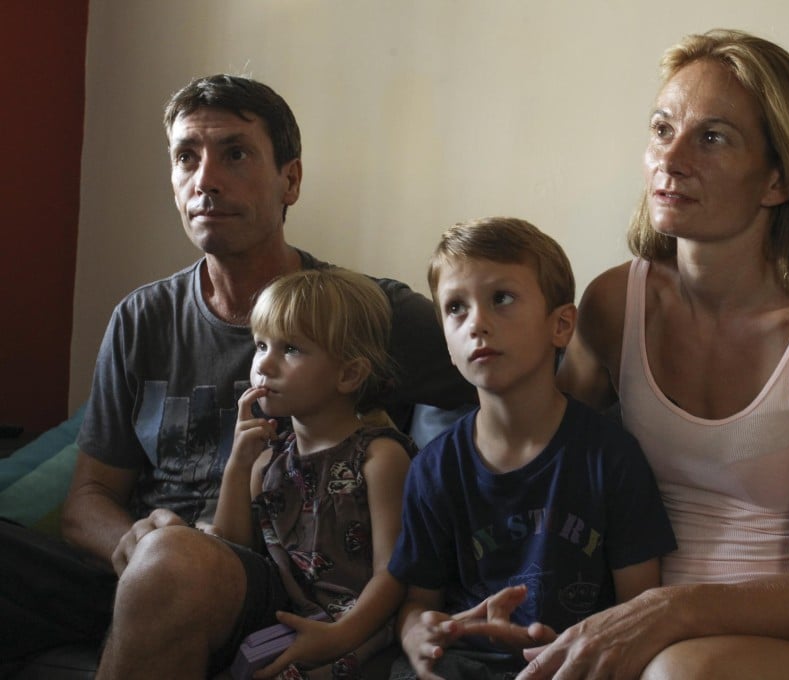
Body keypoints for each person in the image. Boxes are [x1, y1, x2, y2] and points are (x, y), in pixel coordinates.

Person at [0, 74, 473, 677]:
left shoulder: (367, 314)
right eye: (186, 158)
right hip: (133, 569)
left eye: (236, 154)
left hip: (272, 584)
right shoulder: (142, 318)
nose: (206, 180)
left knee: (176, 563)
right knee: (162, 559)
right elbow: (87, 499)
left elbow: (518, 383)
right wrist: (132, 540)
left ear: (290, 181)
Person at [522, 29, 789, 680]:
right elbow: (536, 476)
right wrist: (434, 608)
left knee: (681, 673)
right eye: (662, 129)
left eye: (712, 137)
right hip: (653, 641)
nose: (670, 158)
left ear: (778, 179)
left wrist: (663, 610)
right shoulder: (615, 304)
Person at [386, 217, 677, 680]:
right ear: (446, 342)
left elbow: (638, 609)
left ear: (561, 326)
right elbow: (418, 604)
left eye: (501, 298)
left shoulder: (611, 458)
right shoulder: (433, 469)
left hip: (575, 663)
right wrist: (416, 636)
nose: (477, 323)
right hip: (465, 665)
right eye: (456, 308)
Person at [210, 268, 413, 678]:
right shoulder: (267, 462)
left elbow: (393, 573)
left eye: (291, 349)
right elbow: (232, 555)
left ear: (348, 374)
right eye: (261, 345)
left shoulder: (380, 458)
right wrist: (237, 466)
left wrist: (338, 636)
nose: (264, 364)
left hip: (359, 632)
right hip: (285, 626)